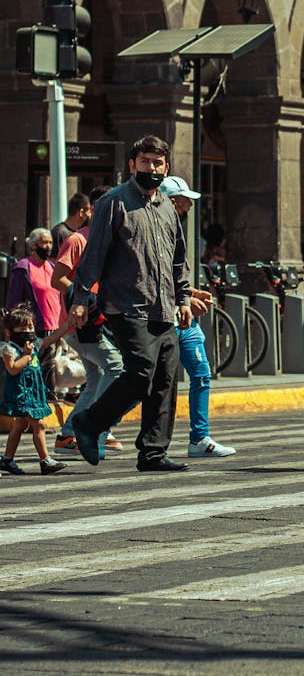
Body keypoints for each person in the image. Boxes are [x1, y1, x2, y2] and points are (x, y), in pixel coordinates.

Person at [70, 135, 193, 472]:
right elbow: (94, 254)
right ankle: (89, 422)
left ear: (167, 167)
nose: (151, 168)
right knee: (141, 374)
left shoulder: (167, 206)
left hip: (164, 306)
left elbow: (178, 259)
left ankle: (153, 453)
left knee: (165, 380)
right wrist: (81, 298)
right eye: (144, 162)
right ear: (132, 165)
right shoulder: (114, 202)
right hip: (126, 305)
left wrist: (183, 298)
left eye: (157, 163)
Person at [160, 175, 236, 458]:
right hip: (163, 316)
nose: (189, 207)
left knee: (201, 374)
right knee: (141, 381)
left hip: (184, 316)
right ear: (172, 202)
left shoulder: (177, 230)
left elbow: (172, 276)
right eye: (185, 201)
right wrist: (186, 297)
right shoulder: (156, 229)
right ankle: (94, 429)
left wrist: (191, 293)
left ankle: (200, 438)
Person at [51, 185, 126, 458]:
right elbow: (56, 279)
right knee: (116, 368)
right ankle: (95, 428)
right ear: (92, 210)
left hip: (98, 323)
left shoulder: (107, 241)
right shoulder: (77, 241)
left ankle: (68, 434)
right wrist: (84, 301)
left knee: (94, 380)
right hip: (80, 323)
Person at [0, 303, 68, 475]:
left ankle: (7, 459)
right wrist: (26, 355)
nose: (28, 331)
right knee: (39, 425)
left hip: (34, 393)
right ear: (10, 331)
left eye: (30, 326)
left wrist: (68, 325)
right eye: (22, 327)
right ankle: (45, 461)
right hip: (22, 394)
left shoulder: (34, 345)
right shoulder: (9, 349)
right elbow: (13, 369)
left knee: (20, 426)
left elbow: (51, 339)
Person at [5, 227, 62, 397]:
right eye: (44, 242)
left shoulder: (52, 267)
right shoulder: (23, 268)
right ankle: (36, 405)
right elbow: (14, 301)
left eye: (50, 242)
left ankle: (47, 402)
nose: (48, 246)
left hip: (55, 326)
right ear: (33, 246)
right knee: (35, 370)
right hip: (34, 328)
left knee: (51, 370)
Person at [50, 192, 90, 257]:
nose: (89, 216)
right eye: (89, 212)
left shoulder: (80, 233)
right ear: (81, 213)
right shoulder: (58, 233)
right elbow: (53, 260)